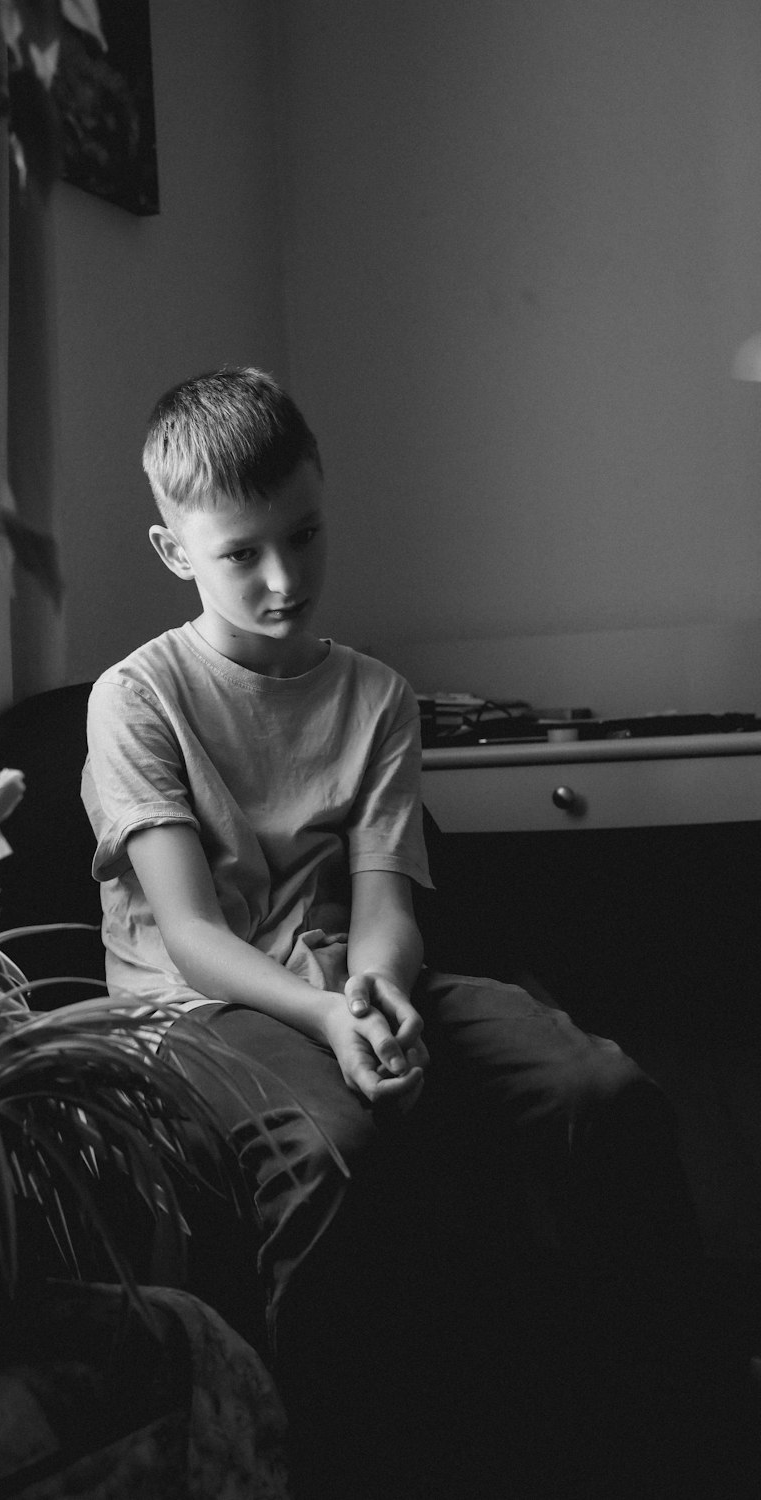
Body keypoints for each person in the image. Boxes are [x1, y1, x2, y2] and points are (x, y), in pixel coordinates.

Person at [81, 367, 752, 1498]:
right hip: (203, 1010)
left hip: (352, 980)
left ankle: (681, 1422)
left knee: (603, 1091)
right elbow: (189, 934)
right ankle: (334, 1463)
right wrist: (327, 1019)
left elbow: (388, 902)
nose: (285, 579)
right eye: (243, 553)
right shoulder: (137, 699)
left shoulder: (378, 697)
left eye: (304, 535)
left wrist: (378, 994)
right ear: (173, 551)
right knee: (336, 1151)